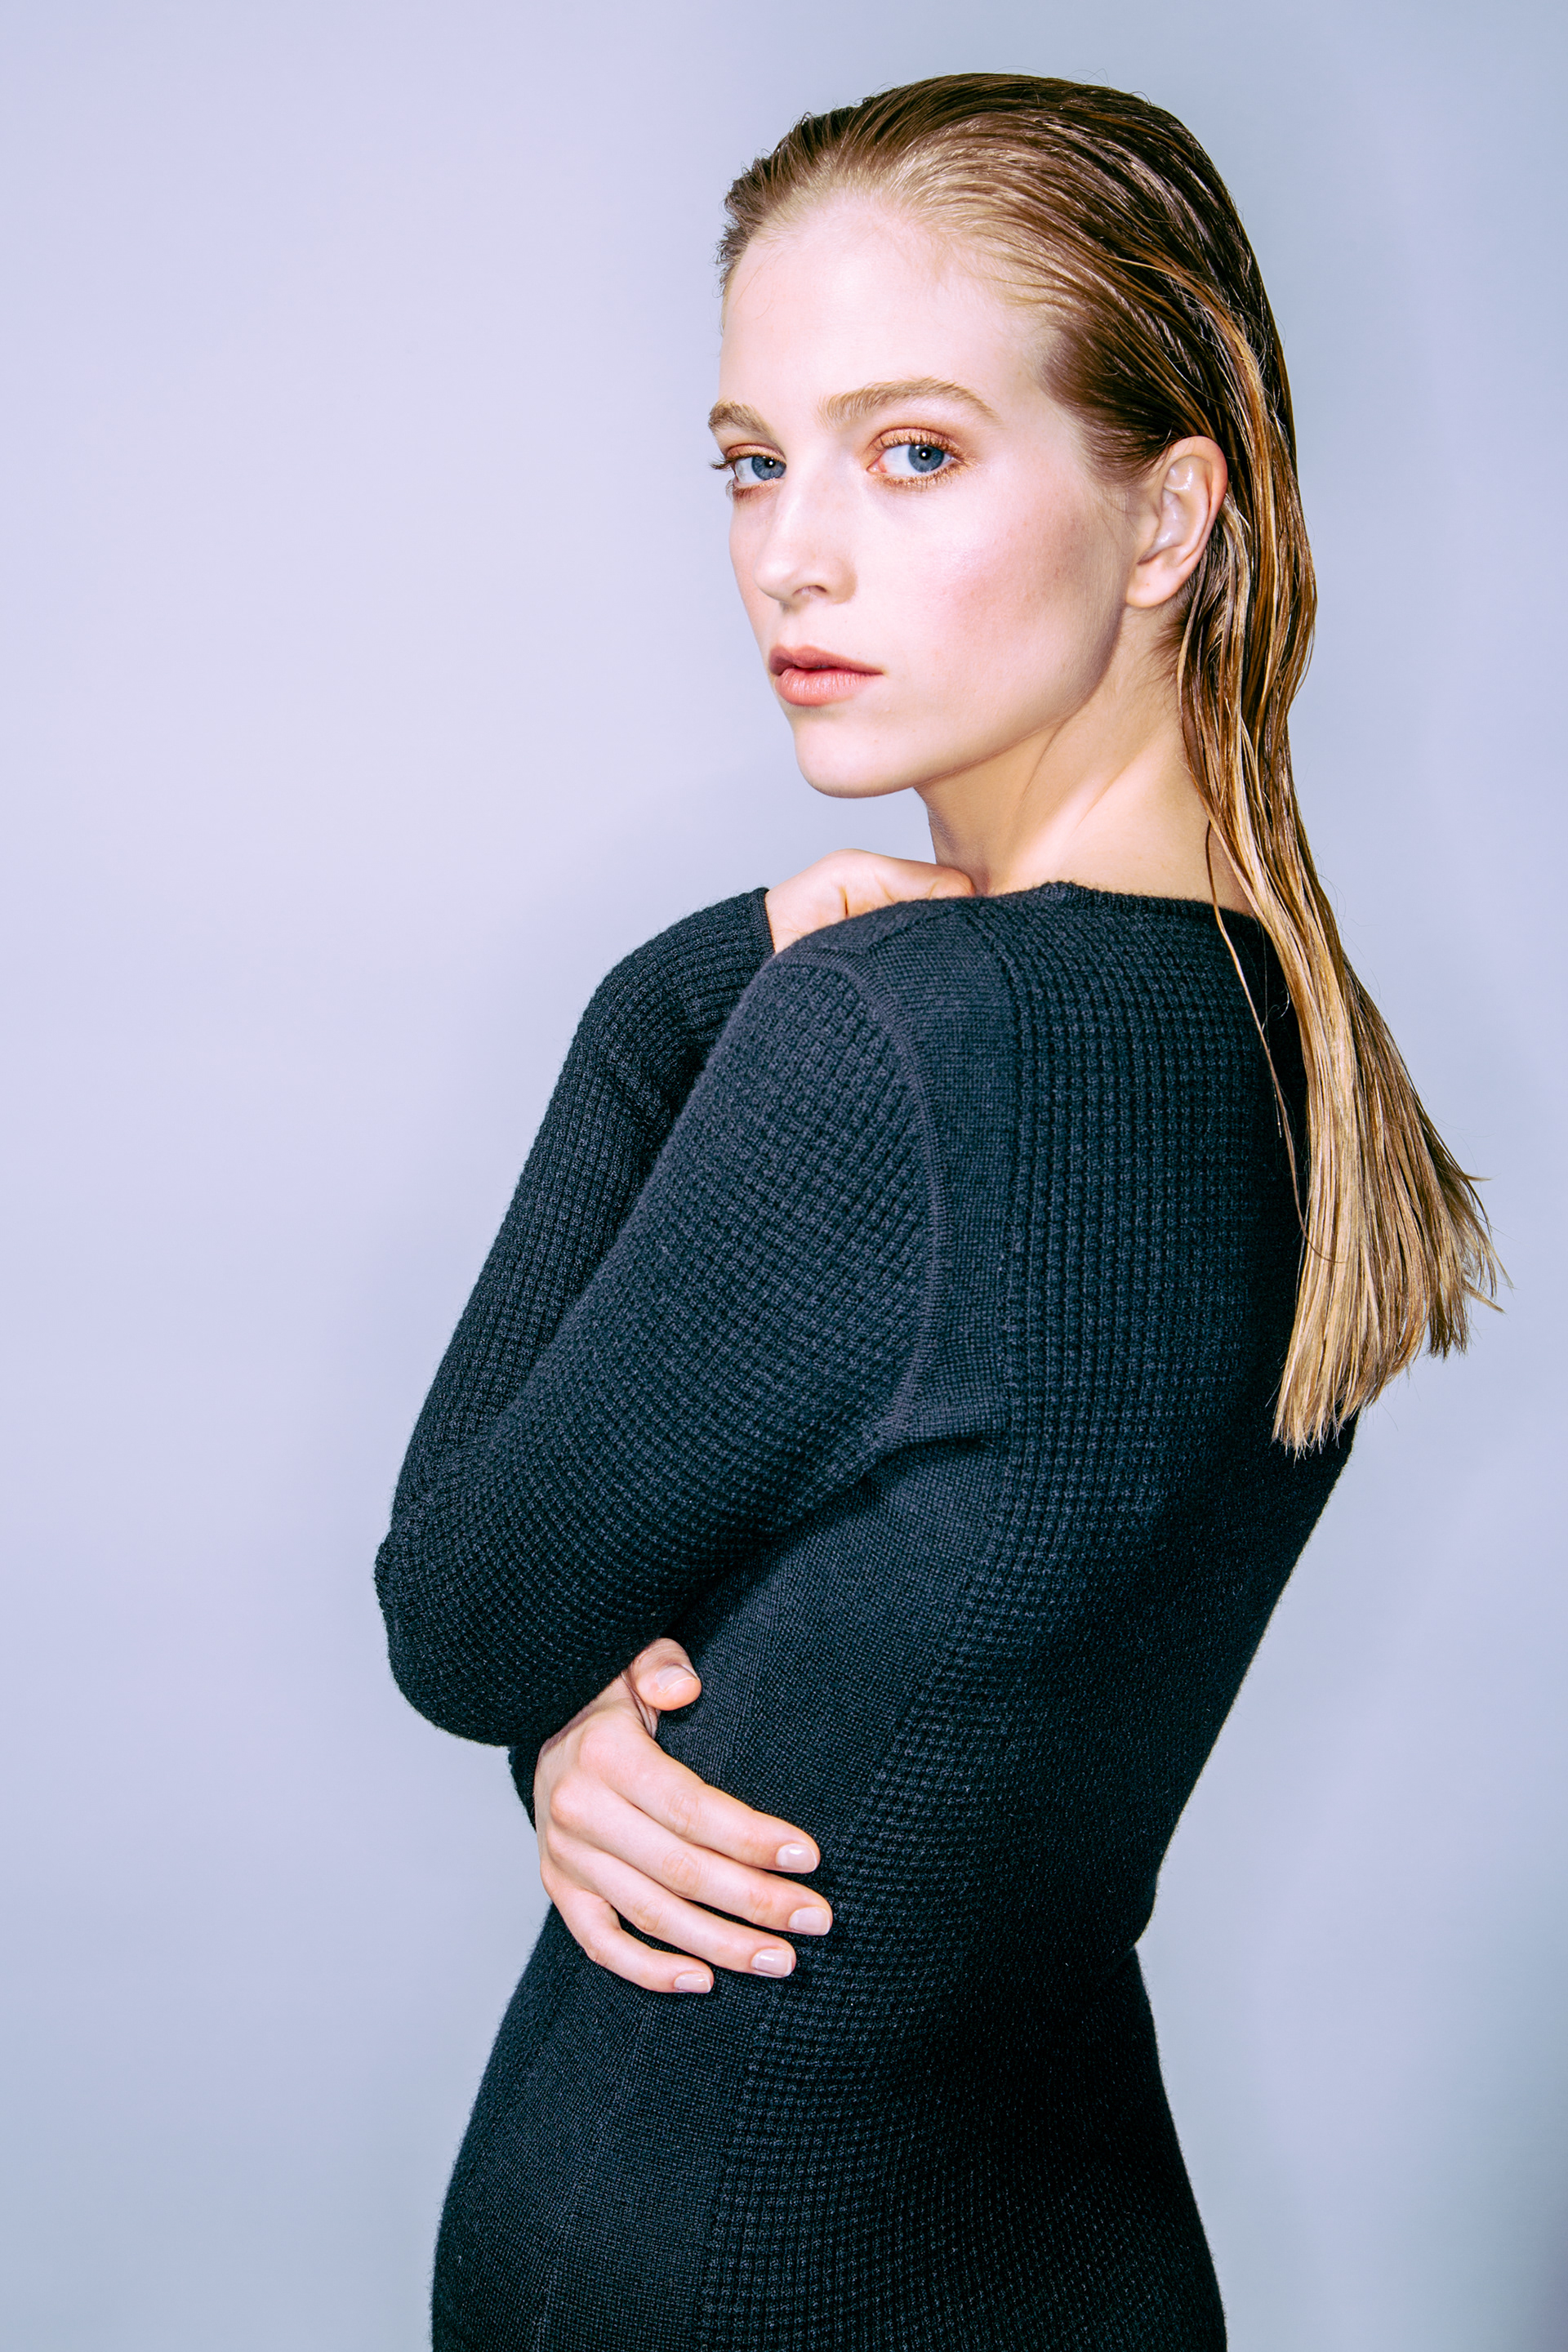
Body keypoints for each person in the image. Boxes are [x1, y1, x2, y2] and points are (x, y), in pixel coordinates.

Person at [375, 74, 1496, 2350]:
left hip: (730, 2263)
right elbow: (923, 1689)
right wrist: (598, 1730)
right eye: (749, 461)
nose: (792, 554)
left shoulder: (897, 1038)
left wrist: (671, 995)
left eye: (912, 453)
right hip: (1061, 2238)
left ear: (1168, 514)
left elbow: (463, 1613)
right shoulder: (1295, 1043)